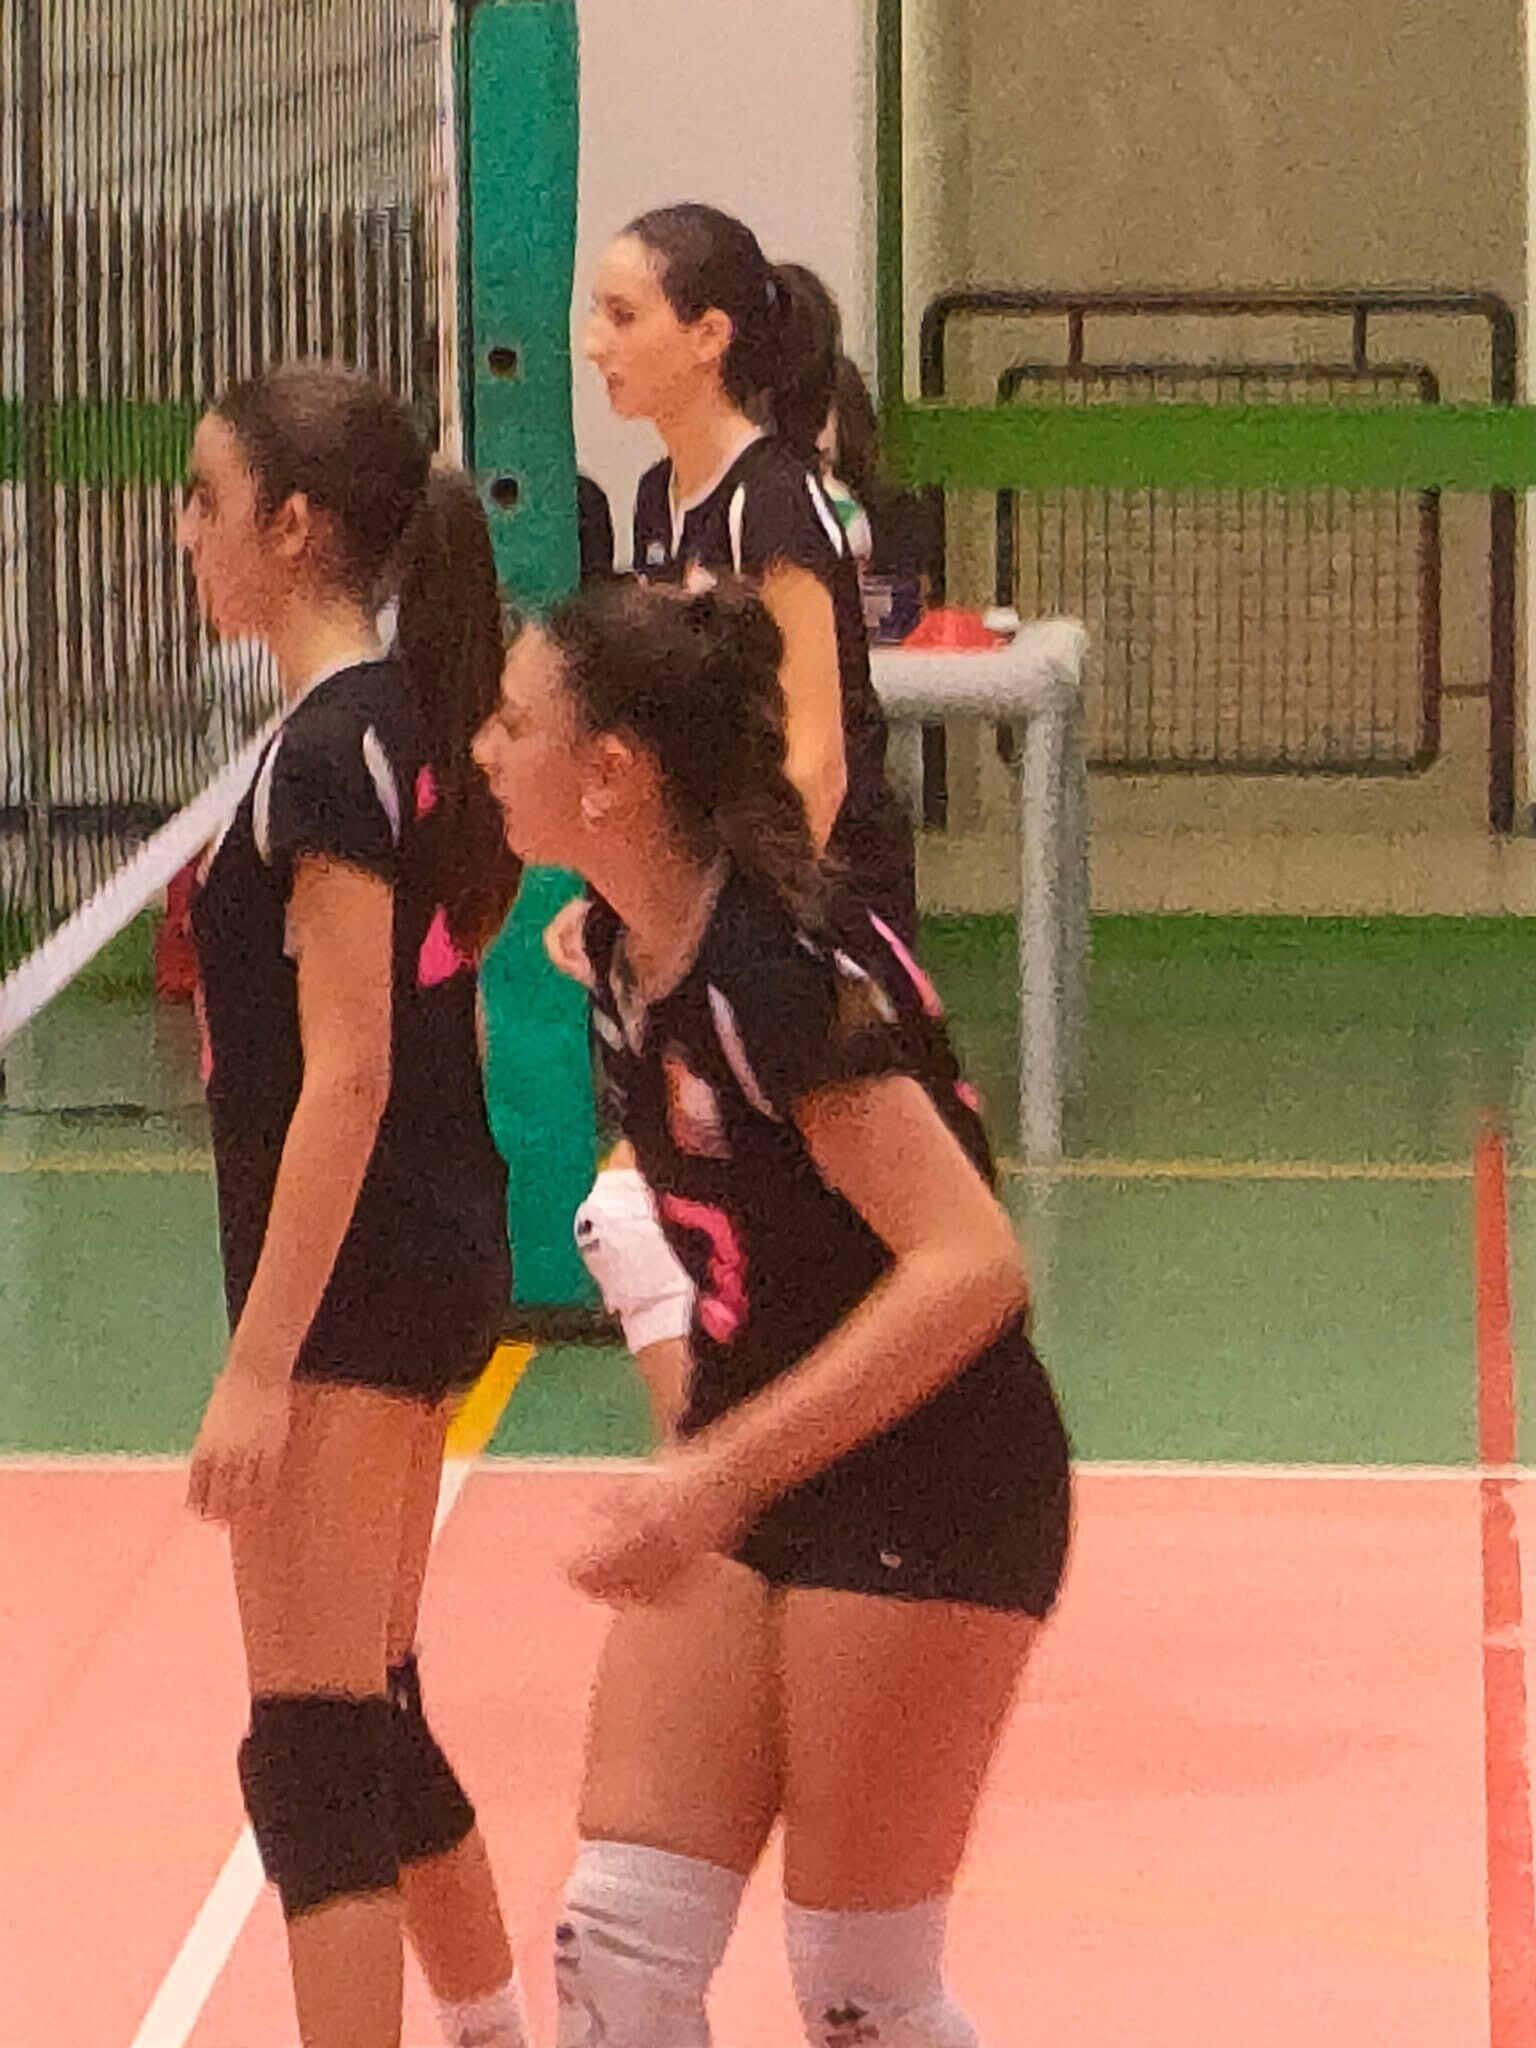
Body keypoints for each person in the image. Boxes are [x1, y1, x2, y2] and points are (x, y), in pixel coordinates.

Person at [473, 577, 1072, 2048]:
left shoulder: (772, 974)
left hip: (933, 1478)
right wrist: (709, 1450)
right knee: (618, 1953)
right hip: (760, 1462)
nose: (483, 750)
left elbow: (972, 1265)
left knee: (864, 1995)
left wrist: (711, 1476)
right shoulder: (625, 954)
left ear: (611, 772)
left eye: (510, 722)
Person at [179, 361, 528, 2048]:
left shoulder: (330, 756)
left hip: (352, 1288)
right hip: (431, 1257)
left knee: (312, 1752)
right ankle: (501, 2030)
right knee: (370, 1716)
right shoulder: (406, 723)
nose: (186, 533)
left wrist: (258, 1367)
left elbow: (351, 1074)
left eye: (207, 499)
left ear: (295, 526)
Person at [583, 202, 915, 942]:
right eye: (595, 314)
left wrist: (737, 924)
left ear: (709, 336)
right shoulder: (656, 496)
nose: (593, 344)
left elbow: (818, 763)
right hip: (721, 884)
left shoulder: (772, 502)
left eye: (623, 317)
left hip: (819, 897)